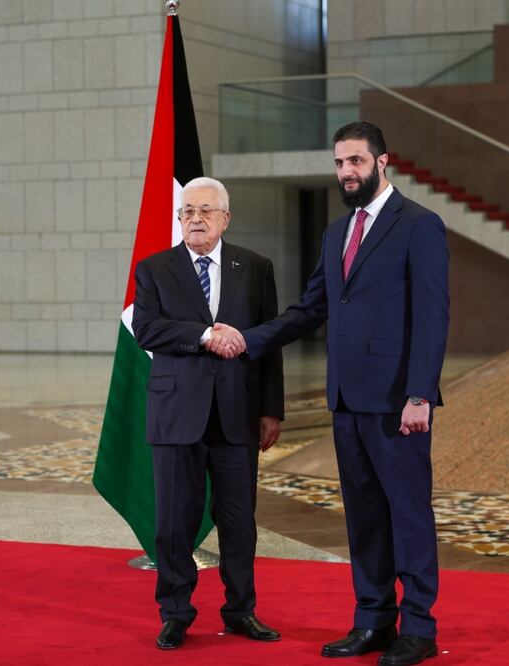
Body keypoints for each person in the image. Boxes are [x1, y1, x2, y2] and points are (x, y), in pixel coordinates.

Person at [210, 122, 449, 666]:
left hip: (396, 404)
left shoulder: (420, 226)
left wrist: (420, 395)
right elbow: (309, 309)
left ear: (383, 161)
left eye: (356, 162)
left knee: (408, 515)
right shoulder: (336, 233)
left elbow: (433, 319)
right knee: (363, 518)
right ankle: (373, 621)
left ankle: (419, 628)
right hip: (346, 402)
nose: (346, 172)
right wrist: (248, 338)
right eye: (339, 163)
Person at [132, 176, 284, 651]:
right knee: (174, 521)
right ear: (178, 218)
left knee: (239, 521)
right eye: (187, 211)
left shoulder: (255, 268)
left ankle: (241, 611)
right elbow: (146, 329)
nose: (194, 219)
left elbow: (269, 343)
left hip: (238, 414)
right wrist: (204, 335)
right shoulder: (154, 268)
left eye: (205, 211)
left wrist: (271, 410)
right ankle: (176, 613)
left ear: (225, 218)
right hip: (177, 413)